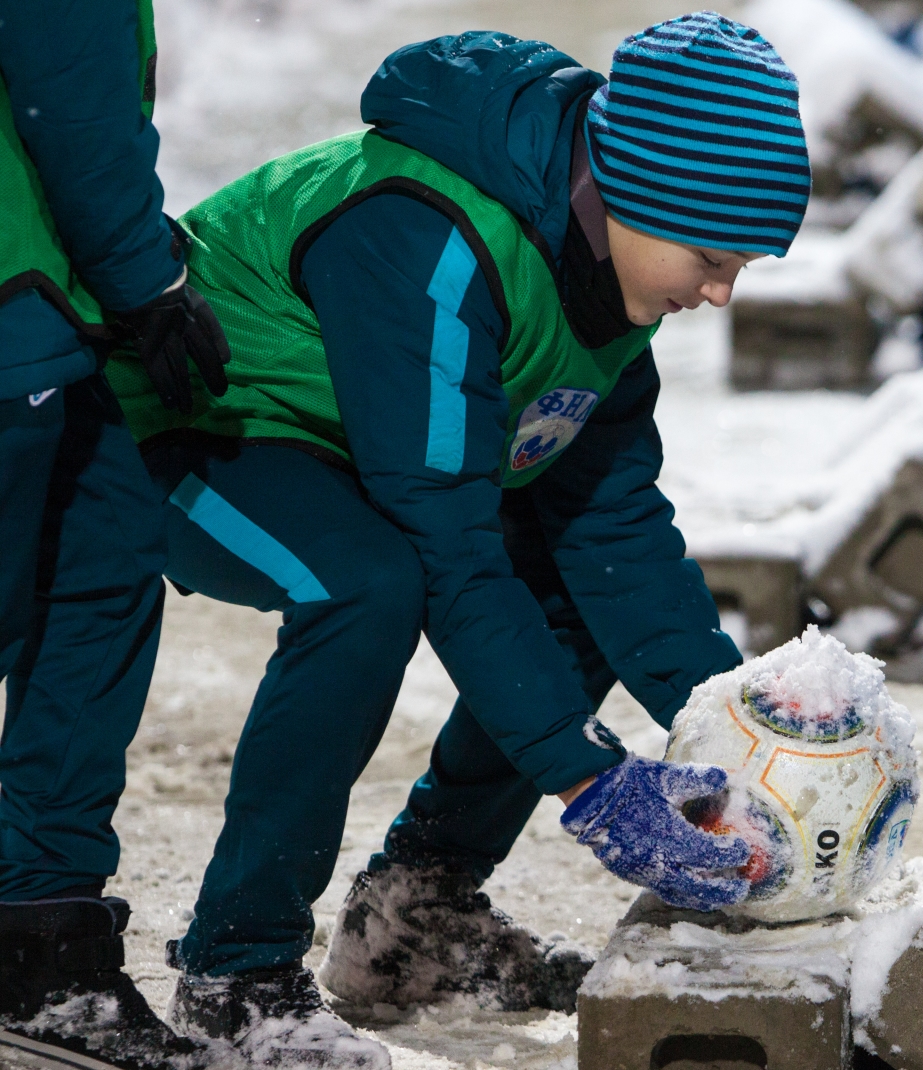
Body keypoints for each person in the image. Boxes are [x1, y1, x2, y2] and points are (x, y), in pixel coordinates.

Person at [104, 13, 809, 1067]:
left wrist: (738, 737)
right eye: (712, 255)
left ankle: (416, 917)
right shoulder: (430, 238)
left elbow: (612, 527)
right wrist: (588, 778)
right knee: (367, 583)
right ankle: (236, 970)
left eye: (739, 265)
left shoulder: (608, 274)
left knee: (571, 585)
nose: (719, 292)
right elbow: (448, 542)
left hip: (358, 457)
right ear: (636, 194)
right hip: (187, 427)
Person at [0, 3, 235, 1068]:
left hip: (36, 314)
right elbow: (74, 100)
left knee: (98, 561)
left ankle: (39, 934)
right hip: (14, 308)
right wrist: (149, 282)